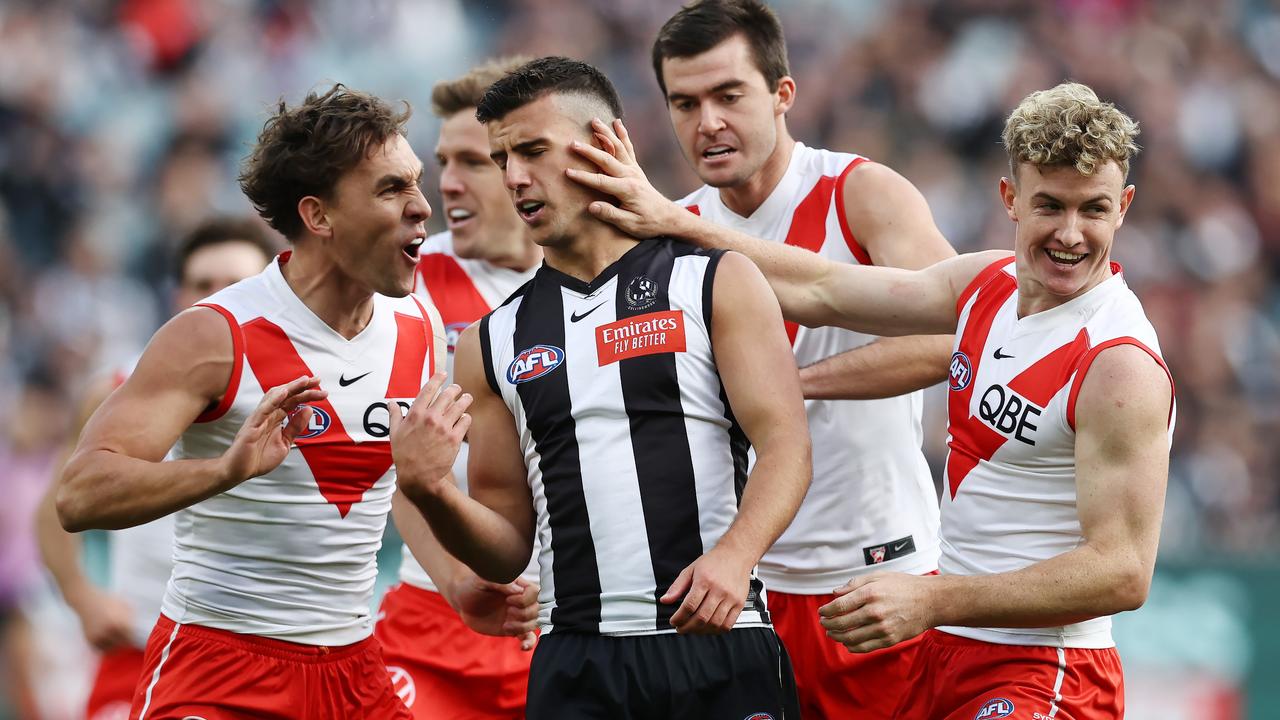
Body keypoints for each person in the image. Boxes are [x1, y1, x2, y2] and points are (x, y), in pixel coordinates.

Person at [572, 81, 1173, 720]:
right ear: (1010, 199)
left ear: (1125, 206)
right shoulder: (989, 285)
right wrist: (672, 221)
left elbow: (1123, 572)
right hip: (946, 652)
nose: (1071, 235)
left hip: (1046, 671)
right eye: (1050, 206)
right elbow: (825, 288)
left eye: (1095, 210)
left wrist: (933, 599)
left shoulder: (1118, 365)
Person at [54, 84, 532, 720]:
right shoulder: (215, 332)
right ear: (319, 216)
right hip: (221, 666)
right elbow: (78, 494)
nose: (423, 207)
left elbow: (391, 486)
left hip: (356, 670)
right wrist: (223, 472)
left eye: (416, 183)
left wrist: (455, 586)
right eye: (391, 189)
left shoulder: (417, 323)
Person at [388, 56, 812, 720]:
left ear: (606, 143)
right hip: (578, 664)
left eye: (532, 150)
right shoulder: (491, 341)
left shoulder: (713, 281)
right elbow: (505, 544)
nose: (515, 178)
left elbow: (786, 445)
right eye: (502, 159)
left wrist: (735, 558)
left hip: (718, 642)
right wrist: (431, 492)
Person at [577, 2, 957, 716]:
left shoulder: (860, 195)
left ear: (782, 95)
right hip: (736, 593)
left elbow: (956, 337)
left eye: (728, 96)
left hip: (874, 580)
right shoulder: (670, 233)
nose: (708, 122)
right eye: (685, 103)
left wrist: (788, 387)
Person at [33, 217, 278, 720]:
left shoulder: (300, 400)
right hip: (142, 645)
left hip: (261, 651)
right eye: (202, 285)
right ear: (177, 296)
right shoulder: (118, 391)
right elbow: (54, 513)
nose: (216, 299)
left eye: (235, 286)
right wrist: (84, 599)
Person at [374, 57, 545, 720]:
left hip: (566, 625)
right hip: (435, 619)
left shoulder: (600, 285)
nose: (447, 185)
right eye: (439, 165)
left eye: (472, 162)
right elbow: (396, 463)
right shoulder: (403, 286)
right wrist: (456, 584)